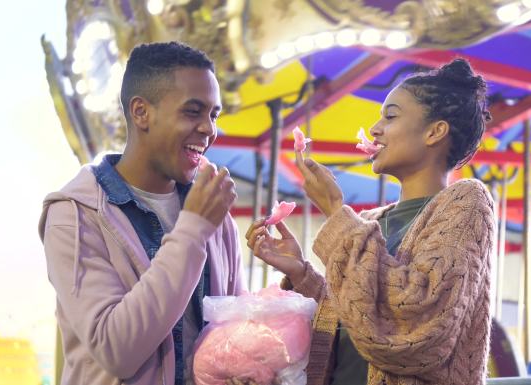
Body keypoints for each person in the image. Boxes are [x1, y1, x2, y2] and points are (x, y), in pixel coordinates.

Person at [246, 58, 496, 385]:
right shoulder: (371, 221)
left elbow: (415, 318)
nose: (376, 129)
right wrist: (301, 273)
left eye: (390, 116)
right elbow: (356, 313)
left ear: (435, 131)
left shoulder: (466, 202)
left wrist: (336, 211)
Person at [39, 41, 245, 385]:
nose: (210, 129)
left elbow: (233, 335)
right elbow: (116, 349)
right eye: (193, 112)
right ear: (141, 112)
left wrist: (295, 280)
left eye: (214, 114)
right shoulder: (74, 214)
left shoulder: (216, 216)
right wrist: (192, 230)